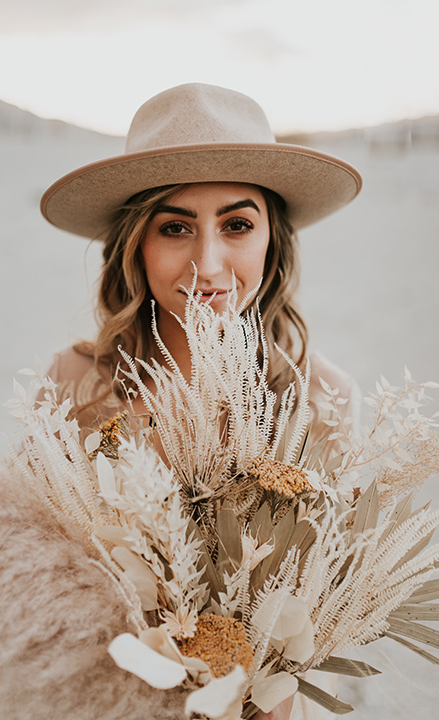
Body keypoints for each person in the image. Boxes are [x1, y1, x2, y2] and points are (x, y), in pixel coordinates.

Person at [40, 82, 363, 719]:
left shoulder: (320, 397)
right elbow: (41, 584)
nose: (207, 264)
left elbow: (325, 608)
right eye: (175, 227)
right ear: (137, 243)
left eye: (237, 225)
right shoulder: (75, 382)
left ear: (273, 243)